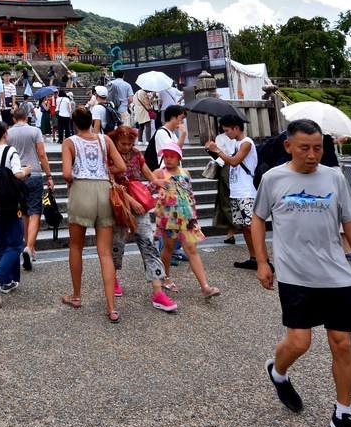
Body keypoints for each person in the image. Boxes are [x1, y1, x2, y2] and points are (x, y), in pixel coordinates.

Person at [253, 119, 351, 427]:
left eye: (318, 147)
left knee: (342, 344)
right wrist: (262, 261)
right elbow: (258, 218)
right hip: (295, 276)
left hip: (336, 275)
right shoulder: (273, 179)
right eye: (305, 148)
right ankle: (278, 371)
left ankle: (343, 414)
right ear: (289, 146)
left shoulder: (334, 177)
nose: (312, 155)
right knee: (300, 342)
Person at [60, 106, 127, 321]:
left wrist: (72, 181)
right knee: (105, 252)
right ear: (91, 121)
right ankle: (111, 307)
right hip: (103, 190)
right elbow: (121, 166)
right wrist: (107, 171)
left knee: (76, 246)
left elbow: (67, 173)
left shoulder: (69, 142)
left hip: (81, 190)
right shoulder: (104, 140)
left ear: (74, 122)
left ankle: (77, 295)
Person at [108, 125, 176, 313]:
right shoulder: (108, 154)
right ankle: (111, 277)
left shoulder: (137, 153)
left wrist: (158, 182)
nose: (127, 147)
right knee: (116, 244)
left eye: (130, 143)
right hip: (119, 206)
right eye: (123, 143)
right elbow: (109, 181)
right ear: (115, 141)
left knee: (148, 244)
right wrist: (129, 200)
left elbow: (147, 172)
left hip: (138, 203)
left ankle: (157, 291)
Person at [155, 144, 220, 299]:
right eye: (166, 156)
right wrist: (160, 190)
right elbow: (151, 187)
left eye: (172, 156)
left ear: (179, 158)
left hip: (187, 217)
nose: (168, 159)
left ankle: (205, 286)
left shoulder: (186, 173)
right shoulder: (159, 172)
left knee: (191, 249)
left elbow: (190, 194)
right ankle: (166, 277)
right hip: (168, 217)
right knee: (168, 248)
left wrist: (194, 212)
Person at [0, 121, 30, 305]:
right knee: (16, 244)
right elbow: (17, 174)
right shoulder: (10, 151)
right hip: (8, 205)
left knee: (2, 244)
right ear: (4, 134)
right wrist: (25, 171)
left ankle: (7, 281)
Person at [205, 117, 259, 269]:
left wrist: (218, 150)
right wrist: (212, 151)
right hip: (236, 190)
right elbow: (228, 161)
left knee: (250, 226)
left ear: (236, 128)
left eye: (227, 130)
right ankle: (253, 258)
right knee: (243, 226)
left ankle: (263, 259)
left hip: (245, 191)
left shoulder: (246, 142)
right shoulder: (236, 143)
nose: (226, 133)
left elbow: (234, 161)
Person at [7, 106, 55, 271]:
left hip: (17, 175)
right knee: (35, 212)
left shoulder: (9, 133)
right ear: (26, 118)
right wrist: (49, 176)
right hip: (34, 174)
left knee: (24, 213)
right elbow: (42, 154)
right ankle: (30, 247)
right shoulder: (35, 131)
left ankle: (28, 245)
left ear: (14, 119)